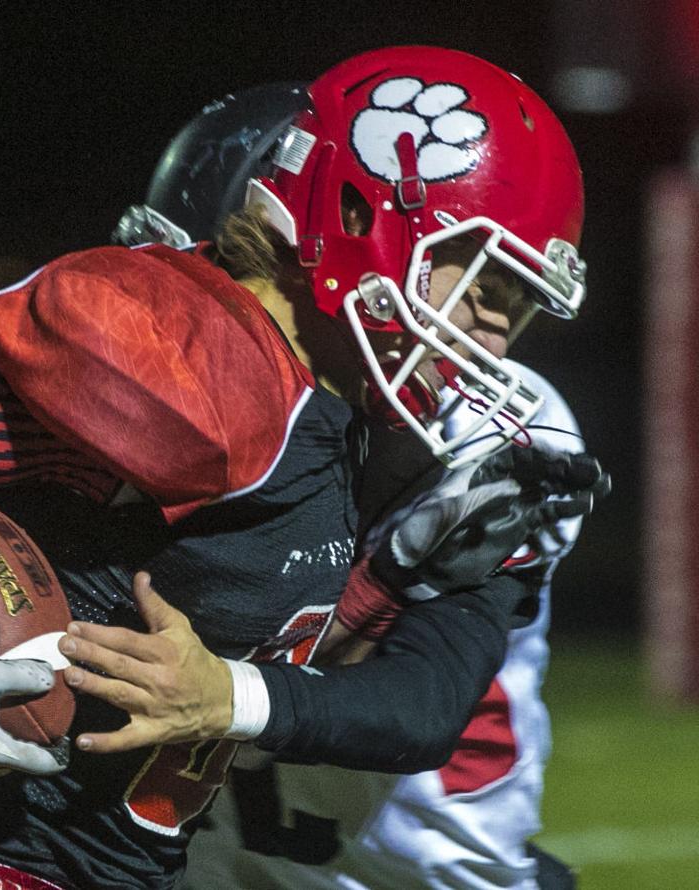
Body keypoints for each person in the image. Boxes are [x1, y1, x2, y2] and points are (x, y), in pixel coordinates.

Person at [0, 47, 606, 890]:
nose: (493, 330)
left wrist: (387, 583)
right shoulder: (197, 364)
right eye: (483, 282)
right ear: (367, 217)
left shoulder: (331, 414)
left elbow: (234, 622)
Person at [116, 80, 585, 889]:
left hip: (419, 865)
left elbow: (404, 701)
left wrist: (381, 586)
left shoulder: (491, 427)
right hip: (214, 853)